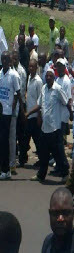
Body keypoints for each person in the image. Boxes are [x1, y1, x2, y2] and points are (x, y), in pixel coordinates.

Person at [27, 69, 70, 182]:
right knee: (43, 153)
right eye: (47, 76)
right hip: (45, 127)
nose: (48, 78)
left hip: (55, 127)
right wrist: (29, 113)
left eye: (50, 76)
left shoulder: (58, 89)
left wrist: (69, 116)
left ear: (54, 78)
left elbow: (66, 102)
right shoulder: (43, 88)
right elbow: (40, 105)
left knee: (59, 152)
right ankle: (41, 175)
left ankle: (66, 174)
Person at [41, 187, 74, 253]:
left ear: (73, 214)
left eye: (65, 213)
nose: (60, 219)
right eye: (55, 213)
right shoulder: (48, 242)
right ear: (50, 214)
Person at [0, 52, 22, 180]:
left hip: (8, 113)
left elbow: (18, 94)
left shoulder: (14, 75)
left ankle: (6, 170)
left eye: (6, 59)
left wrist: (22, 113)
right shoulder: (0, 74)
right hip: (0, 112)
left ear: (9, 61)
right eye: (2, 59)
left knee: (5, 141)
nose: (4, 61)